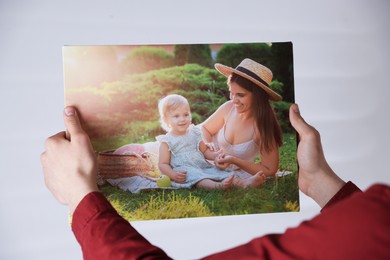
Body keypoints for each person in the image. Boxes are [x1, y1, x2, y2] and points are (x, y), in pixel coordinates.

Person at [41, 104, 390, 260]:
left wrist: (81, 198)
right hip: (191, 168)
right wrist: (319, 181)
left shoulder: (376, 220)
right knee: (202, 175)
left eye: (186, 115)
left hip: (211, 166)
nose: (232, 100)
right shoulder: (376, 218)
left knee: (218, 174)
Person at [157, 94, 264, 190]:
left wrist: (215, 155)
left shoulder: (194, 133)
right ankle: (218, 186)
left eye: (186, 114)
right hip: (184, 170)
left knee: (220, 172)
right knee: (199, 178)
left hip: (202, 166)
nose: (183, 119)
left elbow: (204, 151)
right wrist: (173, 174)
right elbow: (163, 164)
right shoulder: (167, 141)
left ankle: (243, 183)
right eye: (176, 116)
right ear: (166, 120)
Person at [201, 58, 283, 178]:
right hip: (203, 156)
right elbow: (204, 128)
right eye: (231, 93)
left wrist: (234, 160)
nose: (233, 100)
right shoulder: (228, 108)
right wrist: (207, 145)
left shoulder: (263, 128)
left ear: (258, 96)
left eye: (240, 95)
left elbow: (270, 169)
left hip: (228, 171)